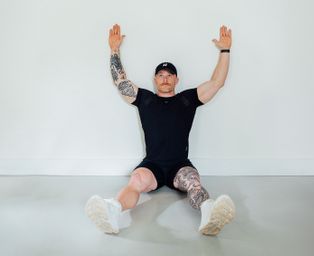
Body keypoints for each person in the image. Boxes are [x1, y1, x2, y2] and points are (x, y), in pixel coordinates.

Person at [85, 24, 235, 236]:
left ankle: (209, 214)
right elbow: (120, 82)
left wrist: (225, 50)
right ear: (155, 80)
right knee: (136, 181)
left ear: (176, 80)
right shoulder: (145, 99)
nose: (165, 78)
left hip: (179, 165)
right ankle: (112, 210)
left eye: (169, 75)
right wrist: (114, 49)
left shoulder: (188, 99)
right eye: (161, 75)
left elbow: (217, 82)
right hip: (152, 165)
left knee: (193, 182)